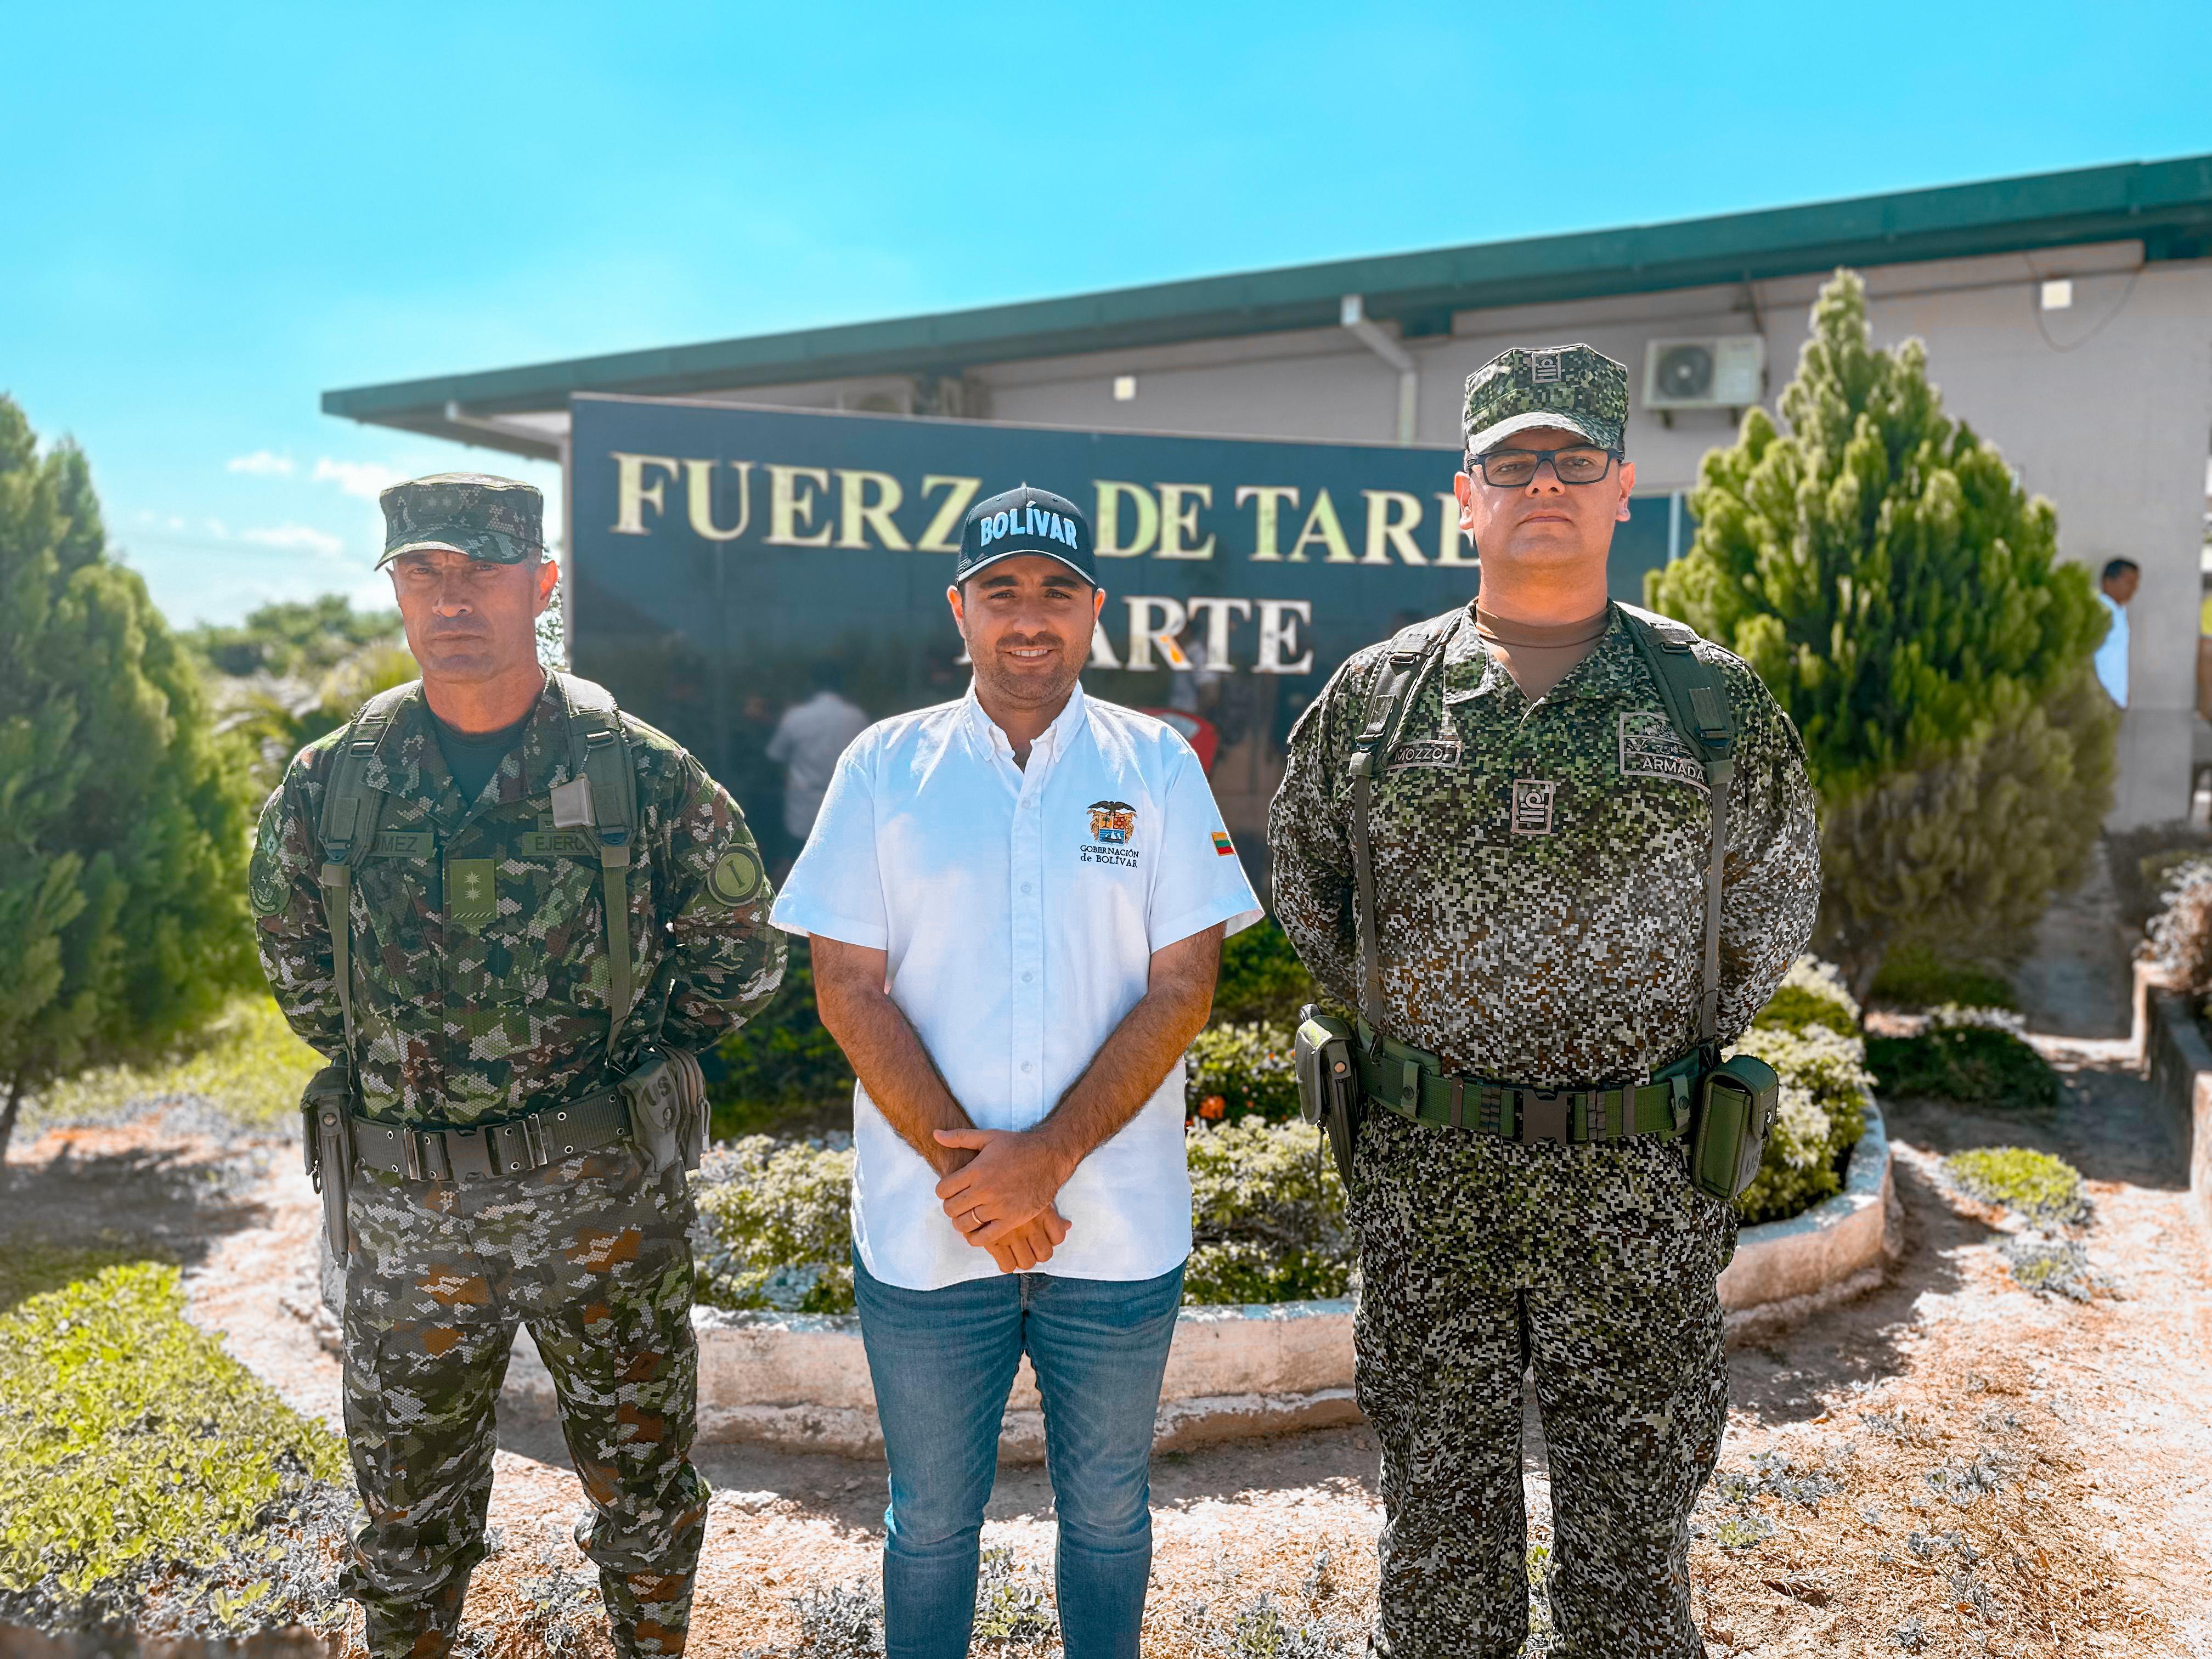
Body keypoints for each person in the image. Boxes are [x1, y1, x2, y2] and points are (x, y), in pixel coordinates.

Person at [1268, 346, 1820, 1658]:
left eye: (1575, 459)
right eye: (1513, 462)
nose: (1545, 484)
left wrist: (1632, 1045)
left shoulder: (1704, 700)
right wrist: (1438, 1035)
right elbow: (1308, 883)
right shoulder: (1380, 698)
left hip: (1636, 1182)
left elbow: (1774, 897)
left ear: (1624, 485)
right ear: (1466, 495)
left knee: (1632, 1564)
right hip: (1428, 1176)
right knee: (1442, 1546)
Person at [249, 473, 785, 1659]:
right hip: (408, 1222)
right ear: (395, 591)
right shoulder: (336, 782)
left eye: (482, 571)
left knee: (645, 1502)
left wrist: (619, 1074)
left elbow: (740, 962)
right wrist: (405, 1080)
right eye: (424, 573)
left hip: (604, 1208)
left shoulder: (636, 772)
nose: (453, 598)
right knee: (404, 1519)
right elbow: (296, 962)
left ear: (541, 585)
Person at [770, 483, 1261, 1659]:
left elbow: (1183, 985)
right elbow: (849, 989)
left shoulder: (1155, 764)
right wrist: (983, 1186)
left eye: (1055, 590)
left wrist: (1047, 1161)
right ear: (961, 610)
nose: (1028, 616)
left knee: (1107, 1517)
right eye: (1002, 591)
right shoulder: (884, 767)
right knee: (931, 1526)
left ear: (1096, 610)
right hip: (929, 1235)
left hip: (1122, 1231)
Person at [766, 659, 871, 849]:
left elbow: (775, 756)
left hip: (801, 813)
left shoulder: (796, 717)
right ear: (841, 684)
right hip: (844, 809)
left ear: (813, 684)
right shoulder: (857, 717)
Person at [2095, 556, 2139, 708]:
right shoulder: (2099, 612)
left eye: (2136, 584)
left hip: (2116, 700)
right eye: (2129, 583)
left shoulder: (2120, 611)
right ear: (2109, 581)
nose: (2134, 588)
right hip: (2100, 699)